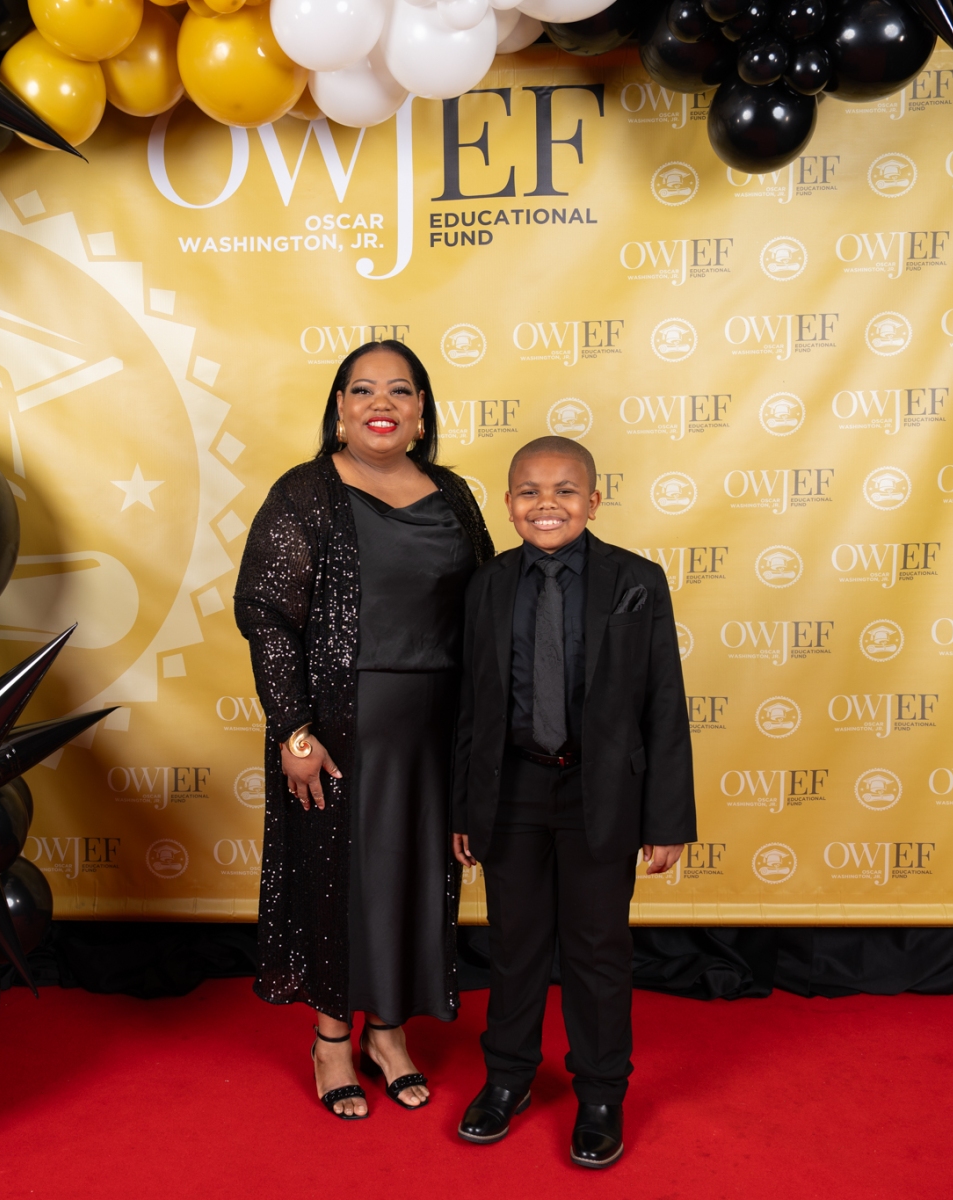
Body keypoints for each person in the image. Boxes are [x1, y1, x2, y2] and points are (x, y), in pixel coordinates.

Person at [234, 340, 495, 1119]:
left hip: (436, 730)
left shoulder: (454, 495)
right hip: (341, 729)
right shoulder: (305, 492)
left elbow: (487, 607)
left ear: (422, 412)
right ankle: (330, 1041)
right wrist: (294, 731)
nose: (382, 403)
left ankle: (388, 1032)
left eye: (400, 390)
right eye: (363, 389)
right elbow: (267, 616)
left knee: (416, 876)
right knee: (337, 878)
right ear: (340, 409)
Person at [450, 436, 696, 1168]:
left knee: (597, 949)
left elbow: (664, 703)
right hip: (514, 789)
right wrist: (465, 808)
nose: (546, 504)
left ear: (593, 500)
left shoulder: (636, 580)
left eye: (564, 490)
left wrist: (666, 818)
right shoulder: (487, 584)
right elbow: (471, 706)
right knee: (515, 943)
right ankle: (508, 1078)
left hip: (602, 791)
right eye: (529, 491)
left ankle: (600, 1092)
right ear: (508, 503)